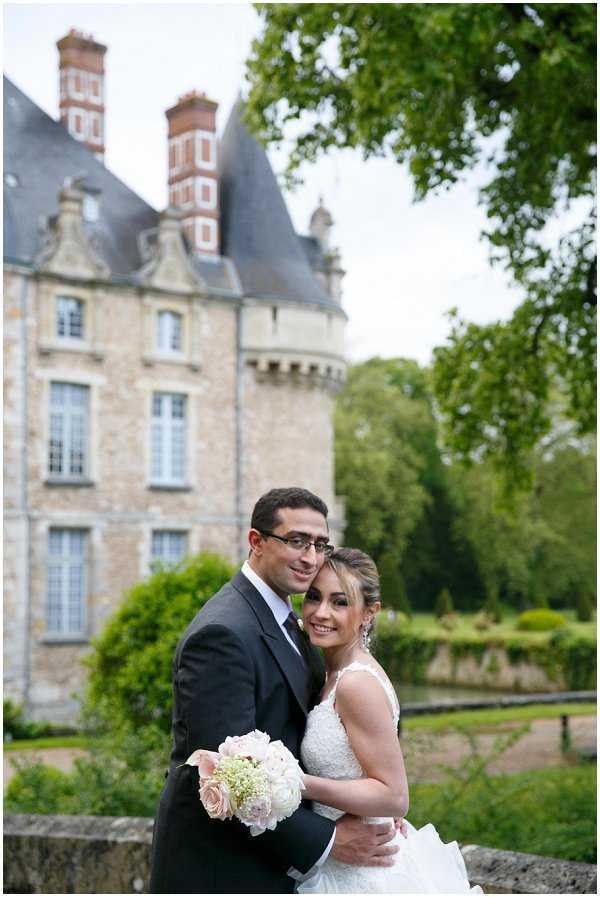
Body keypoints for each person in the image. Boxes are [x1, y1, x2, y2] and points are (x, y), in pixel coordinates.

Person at [149, 488, 400, 894]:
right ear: (256, 542)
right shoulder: (224, 632)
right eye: (296, 541)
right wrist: (329, 840)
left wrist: (371, 802)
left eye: (320, 544)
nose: (310, 557)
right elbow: (227, 775)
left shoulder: (292, 625)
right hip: (222, 871)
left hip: (275, 863)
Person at [296, 547, 483, 893]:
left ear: (369, 612)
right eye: (313, 597)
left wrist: (296, 782)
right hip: (340, 856)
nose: (320, 612)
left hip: (363, 869)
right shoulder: (330, 673)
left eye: (340, 602)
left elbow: (394, 796)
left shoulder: (355, 683)